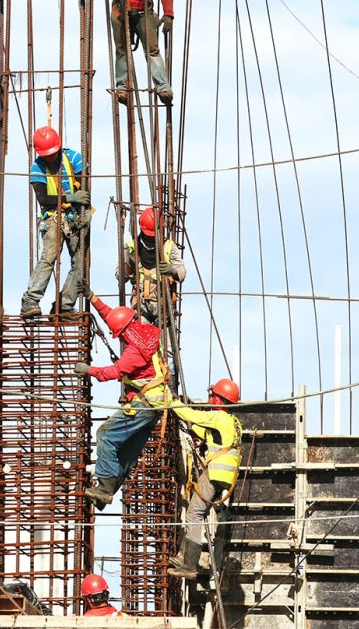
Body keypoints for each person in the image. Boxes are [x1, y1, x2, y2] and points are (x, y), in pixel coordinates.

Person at [75, 294, 170, 508]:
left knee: (105, 435)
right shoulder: (144, 332)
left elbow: (113, 372)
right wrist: (92, 298)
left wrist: (88, 370)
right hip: (154, 406)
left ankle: (104, 488)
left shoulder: (135, 352)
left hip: (143, 404)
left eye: (119, 336)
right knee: (127, 453)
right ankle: (106, 492)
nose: (119, 339)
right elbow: (114, 317)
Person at [168, 378, 242, 580]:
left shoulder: (218, 416)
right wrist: (191, 428)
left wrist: (173, 402)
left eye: (213, 395)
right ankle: (183, 556)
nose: (210, 398)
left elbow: (192, 415)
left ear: (218, 399)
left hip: (215, 473)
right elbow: (207, 432)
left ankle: (189, 565)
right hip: (225, 477)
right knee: (197, 512)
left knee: (194, 514)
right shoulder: (233, 422)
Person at [21, 126, 90, 320]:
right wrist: (70, 197)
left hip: (74, 217)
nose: (50, 158)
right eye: (46, 155)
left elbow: (85, 188)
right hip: (53, 217)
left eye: (52, 153)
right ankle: (30, 301)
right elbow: (43, 199)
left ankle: (64, 306)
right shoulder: (37, 167)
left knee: (80, 262)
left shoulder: (74, 158)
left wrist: (84, 209)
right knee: (48, 258)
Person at [121, 206, 186, 325]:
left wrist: (172, 270)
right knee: (140, 335)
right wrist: (129, 265)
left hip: (163, 305)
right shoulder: (131, 247)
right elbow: (120, 277)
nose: (151, 238)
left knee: (165, 336)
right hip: (141, 305)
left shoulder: (169, 246)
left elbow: (182, 273)